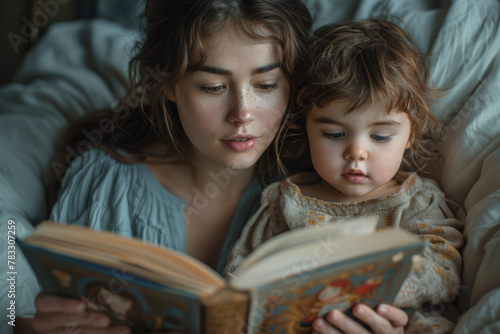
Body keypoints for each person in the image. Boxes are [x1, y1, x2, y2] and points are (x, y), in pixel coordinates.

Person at [16, 2, 409, 332]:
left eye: (267, 85)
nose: (242, 114)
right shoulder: (103, 185)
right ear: (169, 83)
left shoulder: (328, 186)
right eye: (212, 87)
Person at [224, 18, 463, 333]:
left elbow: (444, 268)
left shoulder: (415, 203)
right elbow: (240, 273)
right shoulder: (285, 203)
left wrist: (371, 287)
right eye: (335, 134)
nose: (356, 152)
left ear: (411, 136)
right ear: (305, 127)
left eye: (379, 137)